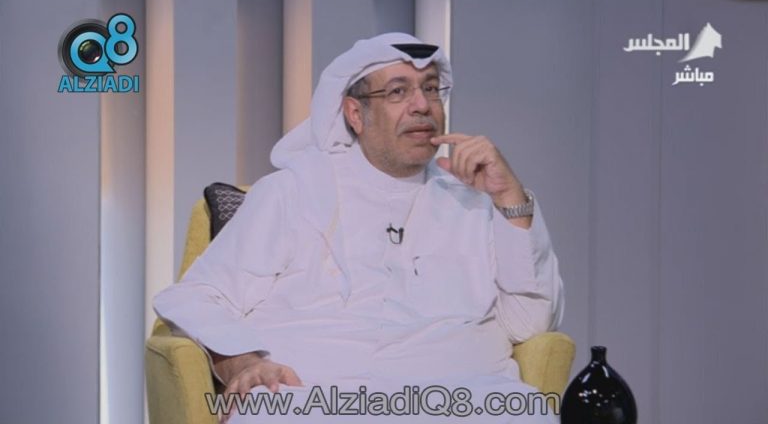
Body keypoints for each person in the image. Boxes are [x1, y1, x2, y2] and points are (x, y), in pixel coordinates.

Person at [154, 32, 564, 423]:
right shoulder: (292, 191)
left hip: (459, 395)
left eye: (430, 88)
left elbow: (527, 322)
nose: (422, 105)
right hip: (316, 396)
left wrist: (509, 196)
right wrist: (244, 362)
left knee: (525, 410)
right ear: (355, 114)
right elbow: (198, 295)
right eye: (398, 91)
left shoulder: (476, 198)